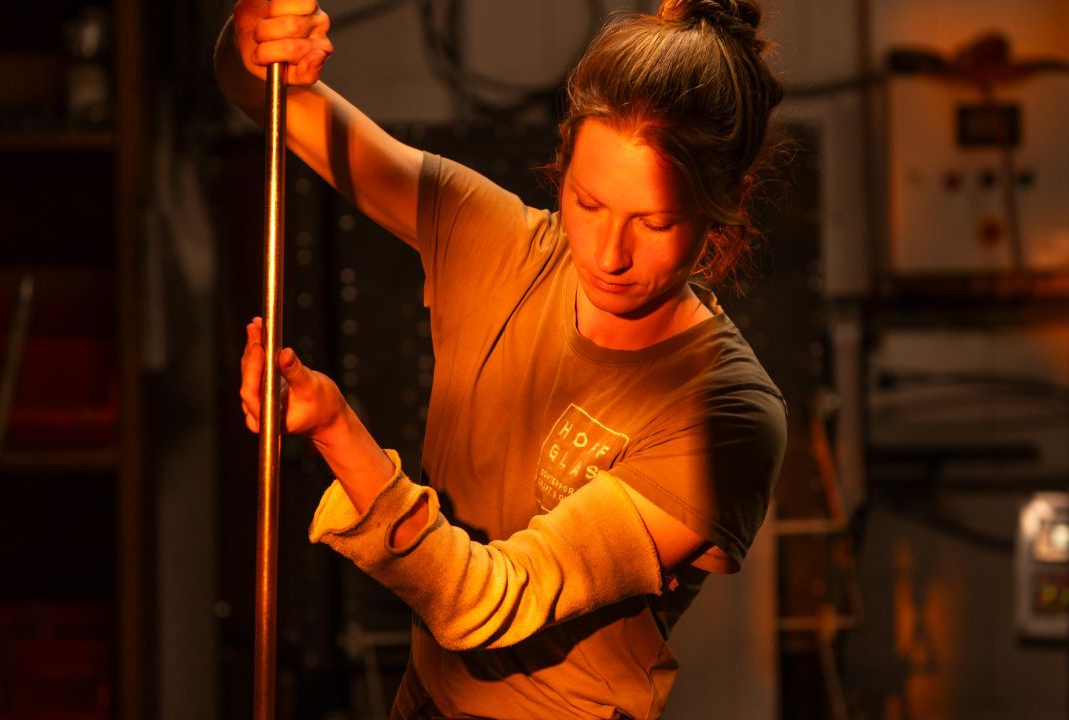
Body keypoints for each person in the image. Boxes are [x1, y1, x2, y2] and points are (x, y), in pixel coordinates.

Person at [217, 1, 787, 717]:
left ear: (724, 203)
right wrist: (254, 49)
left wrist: (336, 429)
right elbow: (262, 100)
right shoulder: (495, 245)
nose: (609, 256)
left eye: (655, 222)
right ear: (564, 157)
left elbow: (482, 601)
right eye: (587, 203)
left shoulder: (726, 414)